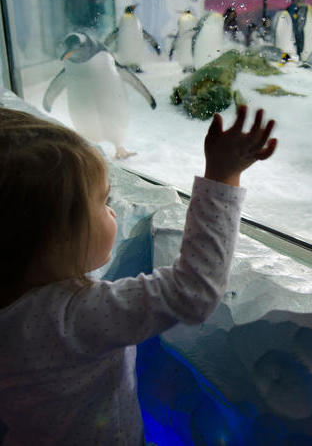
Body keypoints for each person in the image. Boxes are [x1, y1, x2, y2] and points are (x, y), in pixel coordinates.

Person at [0, 105, 277, 445]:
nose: (113, 210)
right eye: (103, 201)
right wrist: (222, 178)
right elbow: (192, 291)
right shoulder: (73, 318)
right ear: (54, 237)